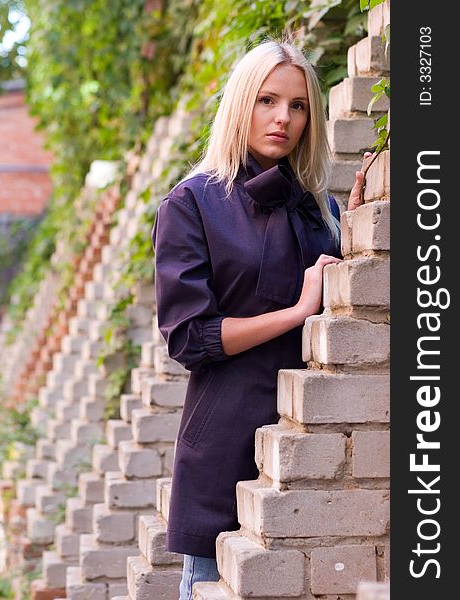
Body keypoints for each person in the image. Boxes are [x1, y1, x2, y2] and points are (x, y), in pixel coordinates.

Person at [151, 37, 368, 600]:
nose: (283, 118)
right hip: (224, 439)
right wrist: (297, 311)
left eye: (298, 106)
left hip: (312, 439)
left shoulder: (320, 207)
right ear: (241, 103)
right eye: (268, 100)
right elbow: (190, 338)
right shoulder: (191, 202)